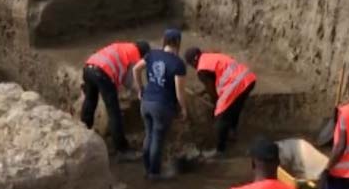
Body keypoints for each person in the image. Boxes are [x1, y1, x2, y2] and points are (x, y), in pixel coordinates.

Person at [132, 28, 187, 180]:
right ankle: (154, 173)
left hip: (146, 102)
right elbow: (179, 92)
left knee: (148, 135)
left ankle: (147, 169)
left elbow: (136, 69)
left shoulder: (152, 54)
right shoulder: (178, 64)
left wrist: (140, 89)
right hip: (162, 106)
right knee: (157, 138)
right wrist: (183, 109)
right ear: (178, 43)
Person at [81, 40, 150, 159]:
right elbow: (128, 81)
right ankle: (122, 149)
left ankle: (83, 131)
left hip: (88, 67)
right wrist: (141, 91)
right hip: (102, 73)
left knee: (90, 99)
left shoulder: (123, 47)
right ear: (143, 54)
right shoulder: (135, 55)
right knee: (114, 112)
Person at [183, 48, 257, 158]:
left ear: (193, 62)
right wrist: (203, 92)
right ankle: (232, 132)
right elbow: (216, 78)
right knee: (234, 107)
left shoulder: (201, 70)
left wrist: (216, 105)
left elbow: (212, 91)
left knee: (221, 116)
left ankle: (220, 150)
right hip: (247, 78)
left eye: (191, 65)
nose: (194, 68)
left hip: (235, 84)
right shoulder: (211, 57)